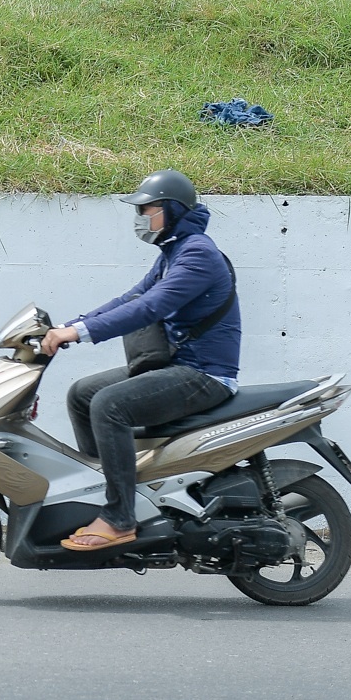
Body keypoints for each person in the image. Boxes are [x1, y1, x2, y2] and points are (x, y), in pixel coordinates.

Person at [37, 169, 240, 552]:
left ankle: (120, 518)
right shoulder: (174, 251)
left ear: (172, 210)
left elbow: (150, 307)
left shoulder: (198, 254)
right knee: (82, 394)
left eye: (146, 209)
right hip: (178, 366)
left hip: (204, 374)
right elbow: (129, 299)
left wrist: (78, 334)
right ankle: (108, 495)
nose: (140, 217)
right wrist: (67, 326)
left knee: (108, 405)